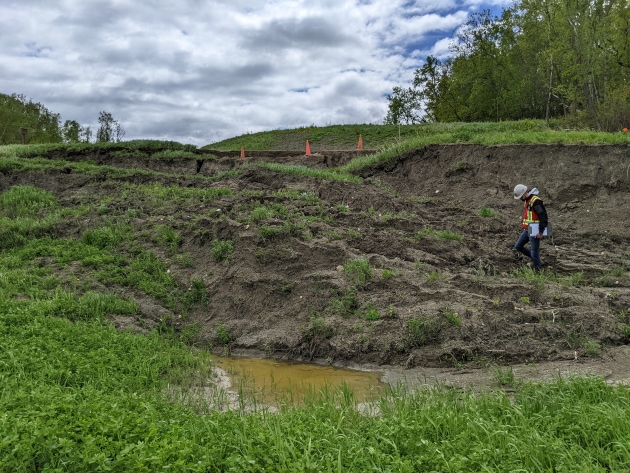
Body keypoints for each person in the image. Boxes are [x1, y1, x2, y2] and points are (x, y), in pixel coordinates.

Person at [513, 184, 548, 272]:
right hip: (528, 229)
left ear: (525, 193)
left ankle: (538, 270)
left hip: (535, 230)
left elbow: (543, 217)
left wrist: (540, 232)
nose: (520, 199)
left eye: (521, 197)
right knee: (518, 246)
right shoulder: (527, 200)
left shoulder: (535, 201)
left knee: (534, 252)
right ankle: (537, 261)